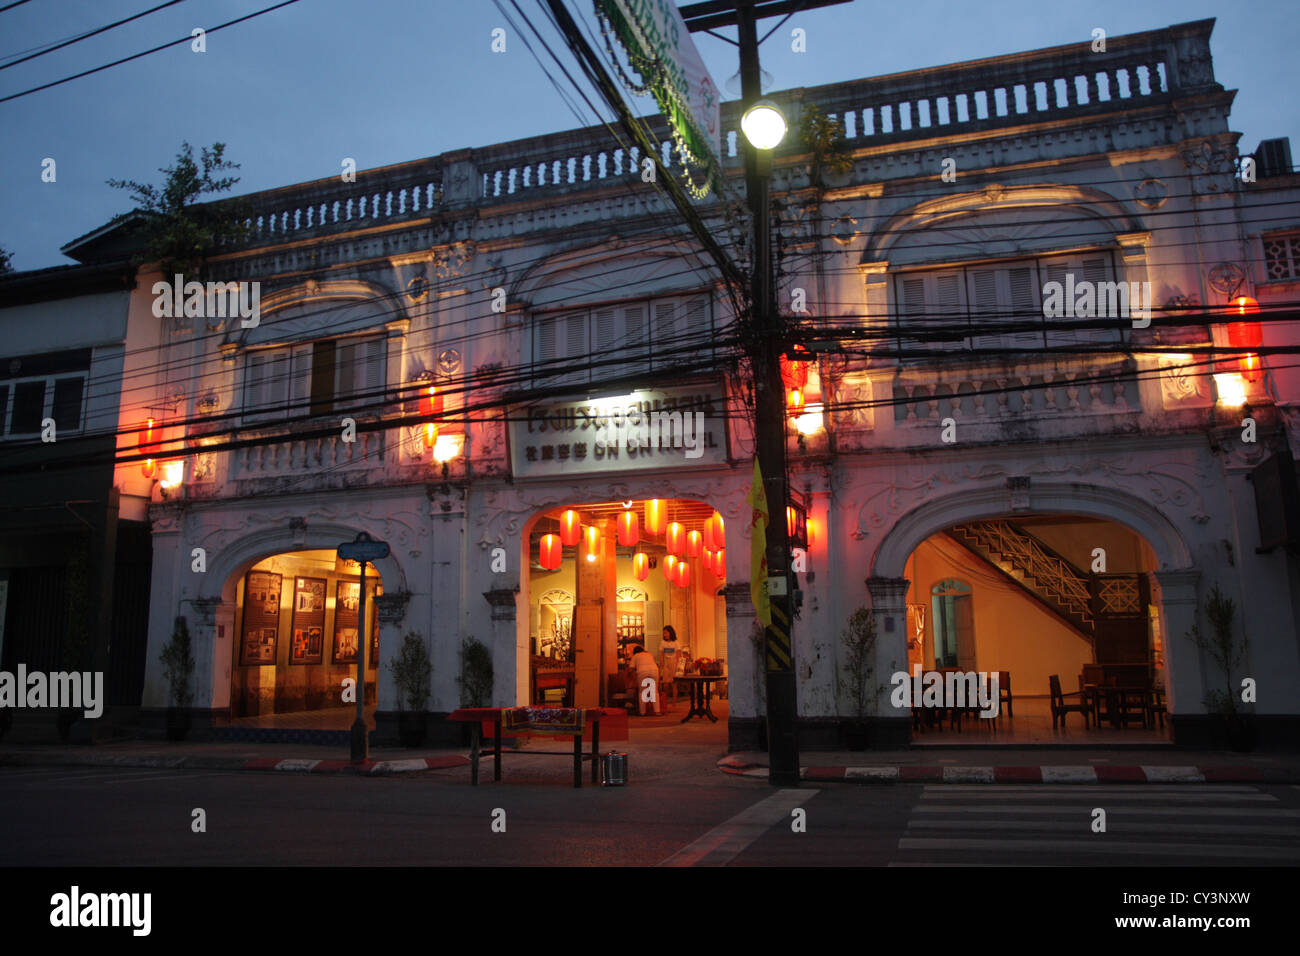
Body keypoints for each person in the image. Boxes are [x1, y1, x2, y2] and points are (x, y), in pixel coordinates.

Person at [628, 644, 661, 716]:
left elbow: (631, 669)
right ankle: (657, 711)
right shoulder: (649, 654)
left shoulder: (635, 656)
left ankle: (642, 712)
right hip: (654, 671)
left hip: (642, 672)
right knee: (654, 691)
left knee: (642, 692)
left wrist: (630, 677)